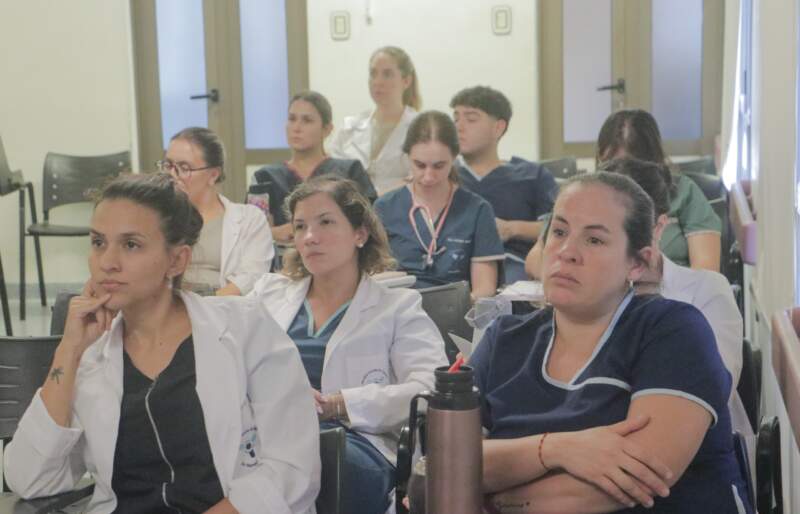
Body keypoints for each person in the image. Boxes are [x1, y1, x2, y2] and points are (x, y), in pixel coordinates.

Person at [4, 173, 320, 514]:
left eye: (131, 244)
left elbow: (292, 467)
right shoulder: (92, 354)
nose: (107, 262)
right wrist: (68, 350)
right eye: (98, 242)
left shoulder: (244, 326)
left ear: (177, 261)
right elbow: (30, 479)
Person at [473, 172, 752, 513]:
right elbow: (444, 462)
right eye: (558, 232)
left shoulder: (675, 331)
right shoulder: (504, 338)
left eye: (594, 240)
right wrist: (556, 449)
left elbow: (639, 476)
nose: (566, 252)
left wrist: (489, 498)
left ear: (638, 263)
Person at [249, 177, 448, 514]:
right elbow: (230, 363)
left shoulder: (397, 307)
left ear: (360, 233)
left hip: (351, 444)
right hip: (267, 432)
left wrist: (337, 405)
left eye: (325, 222)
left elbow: (429, 390)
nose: (310, 237)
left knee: (314, 457)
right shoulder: (267, 295)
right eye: (300, 227)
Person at [601, 157, 749, 436]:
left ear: (659, 226)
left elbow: (714, 392)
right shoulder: (587, 299)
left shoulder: (706, 291)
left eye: (629, 227)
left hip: (698, 449)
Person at [525, 109, 722, 276]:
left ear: (653, 161)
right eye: (611, 165)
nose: (621, 175)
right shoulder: (584, 194)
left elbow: (705, 272)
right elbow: (536, 260)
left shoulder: (684, 193)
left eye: (632, 165)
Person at [374, 111, 505, 298]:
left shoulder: (477, 210)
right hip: (397, 311)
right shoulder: (384, 208)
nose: (428, 177)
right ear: (407, 156)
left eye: (439, 166)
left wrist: (455, 313)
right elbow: (372, 277)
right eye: (419, 165)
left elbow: (484, 289)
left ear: (454, 157)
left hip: (456, 315)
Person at [451, 86, 557, 283]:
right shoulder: (443, 176)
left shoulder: (532, 175)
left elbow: (556, 227)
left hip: (512, 268)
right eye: (456, 118)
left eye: (471, 119)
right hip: (453, 266)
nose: (459, 126)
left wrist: (511, 228)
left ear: (498, 128)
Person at [159, 127, 273, 295]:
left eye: (184, 167)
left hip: (222, 308)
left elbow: (251, 277)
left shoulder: (249, 219)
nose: (172, 175)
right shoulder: (154, 216)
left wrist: (204, 308)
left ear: (213, 175)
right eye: (168, 165)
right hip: (167, 307)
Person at [252, 91, 377, 243]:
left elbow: (371, 224)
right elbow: (250, 232)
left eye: (307, 120)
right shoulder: (265, 178)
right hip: (281, 261)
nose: (296, 127)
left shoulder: (349, 171)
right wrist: (273, 232)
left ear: (327, 129)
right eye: (292, 119)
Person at [329, 46, 420, 194]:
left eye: (387, 74)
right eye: (373, 74)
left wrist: (379, 197)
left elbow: (423, 178)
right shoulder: (349, 128)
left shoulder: (421, 128)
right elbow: (331, 175)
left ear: (406, 81)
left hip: (402, 211)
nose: (378, 82)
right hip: (353, 211)